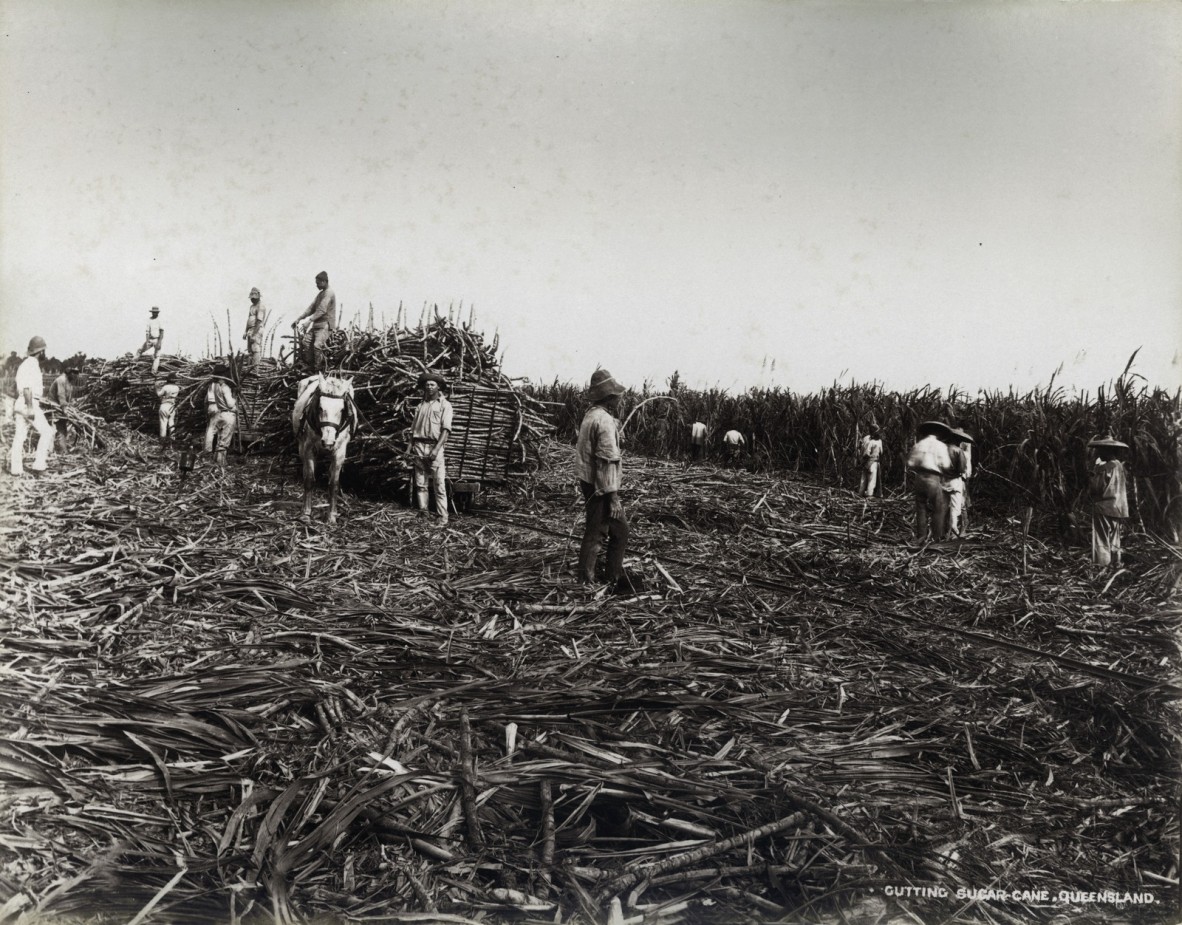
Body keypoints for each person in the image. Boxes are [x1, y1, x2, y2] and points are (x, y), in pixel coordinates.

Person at [574, 368, 630, 590]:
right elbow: (606, 461)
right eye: (616, 396)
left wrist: (615, 431)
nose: (619, 399)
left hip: (590, 482)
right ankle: (586, 581)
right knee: (597, 532)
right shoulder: (604, 421)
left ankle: (611, 575)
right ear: (609, 398)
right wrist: (613, 497)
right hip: (601, 486)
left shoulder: (592, 415)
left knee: (618, 530)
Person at [408, 372, 453, 525]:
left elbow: (446, 430)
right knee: (421, 483)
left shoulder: (445, 405)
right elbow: (413, 431)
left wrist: (436, 450)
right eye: (427, 384)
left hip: (435, 447)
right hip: (419, 446)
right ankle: (424, 512)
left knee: (439, 484)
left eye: (432, 384)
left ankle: (442, 516)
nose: (429, 386)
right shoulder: (421, 406)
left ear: (438, 387)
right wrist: (409, 449)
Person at [10, 336, 51, 477]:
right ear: (41, 351)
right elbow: (27, 388)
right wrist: (31, 407)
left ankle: (16, 469)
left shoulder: (24, 364)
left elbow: (20, 388)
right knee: (47, 432)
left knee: (19, 436)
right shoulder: (32, 364)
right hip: (28, 403)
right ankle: (39, 467)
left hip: (20, 403)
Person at [907, 421, 954, 542]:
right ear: (938, 433)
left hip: (919, 478)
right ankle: (936, 538)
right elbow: (946, 464)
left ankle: (921, 536)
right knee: (938, 507)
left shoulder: (919, 445)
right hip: (933, 478)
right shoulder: (940, 446)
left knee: (921, 507)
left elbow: (910, 463)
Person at [1088, 435, 1129, 569]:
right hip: (1118, 507)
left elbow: (1095, 488)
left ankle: (1101, 567)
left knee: (1101, 538)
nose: (1099, 453)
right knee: (1114, 538)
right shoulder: (1119, 466)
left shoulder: (1104, 467)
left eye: (1101, 450)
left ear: (1106, 450)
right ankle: (1116, 564)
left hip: (1103, 506)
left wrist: (1094, 471)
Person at [291, 271, 337, 370]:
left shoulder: (329, 293)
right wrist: (299, 318)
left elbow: (322, 310)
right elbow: (311, 308)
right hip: (317, 325)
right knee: (306, 342)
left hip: (326, 324)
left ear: (324, 281)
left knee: (317, 345)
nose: (316, 285)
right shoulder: (320, 294)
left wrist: (309, 321)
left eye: (318, 283)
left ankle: (318, 369)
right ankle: (310, 365)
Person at [942, 427, 974, 536]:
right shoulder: (958, 450)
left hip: (942, 481)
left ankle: (944, 532)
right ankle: (955, 531)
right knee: (957, 508)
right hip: (955, 482)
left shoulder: (942, 448)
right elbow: (962, 469)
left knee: (944, 506)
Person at [204, 366, 237, 467]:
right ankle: (221, 462)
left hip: (220, 413)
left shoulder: (214, 386)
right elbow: (230, 404)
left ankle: (214, 458)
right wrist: (235, 397)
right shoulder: (225, 387)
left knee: (217, 435)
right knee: (225, 438)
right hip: (228, 414)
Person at [47, 368, 79, 453]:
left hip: (60, 408)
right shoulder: (61, 380)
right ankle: (55, 450)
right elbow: (61, 395)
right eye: (74, 373)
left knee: (63, 429)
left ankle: (62, 449)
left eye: (77, 373)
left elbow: (68, 397)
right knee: (58, 428)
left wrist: (71, 405)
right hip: (54, 407)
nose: (76, 375)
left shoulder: (69, 382)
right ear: (69, 373)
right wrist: (65, 409)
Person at [243, 287, 269, 369]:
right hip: (251, 329)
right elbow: (249, 319)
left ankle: (255, 369)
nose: (252, 299)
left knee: (255, 348)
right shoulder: (252, 307)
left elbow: (259, 321)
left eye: (254, 298)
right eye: (251, 298)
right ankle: (250, 368)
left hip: (257, 329)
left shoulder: (260, 306)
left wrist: (254, 334)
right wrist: (245, 331)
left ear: (258, 297)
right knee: (250, 349)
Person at [156, 372, 180, 448]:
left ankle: (163, 441)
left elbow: (159, 394)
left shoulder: (165, 387)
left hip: (164, 406)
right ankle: (172, 441)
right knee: (171, 423)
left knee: (163, 423)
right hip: (172, 406)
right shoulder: (177, 388)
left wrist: (156, 387)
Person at [859, 425, 884, 497]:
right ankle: (869, 495)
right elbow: (881, 453)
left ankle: (860, 494)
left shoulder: (866, 438)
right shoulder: (878, 441)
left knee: (863, 480)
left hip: (865, 462)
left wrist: (862, 462)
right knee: (871, 480)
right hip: (873, 462)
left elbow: (863, 451)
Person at [138, 307, 164, 374]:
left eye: (156, 312)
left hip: (157, 339)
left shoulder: (160, 320)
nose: (155, 313)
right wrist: (147, 341)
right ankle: (133, 363)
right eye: (153, 312)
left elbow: (161, 332)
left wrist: (159, 342)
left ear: (158, 313)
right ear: (152, 312)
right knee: (140, 350)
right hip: (150, 339)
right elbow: (147, 331)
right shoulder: (149, 320)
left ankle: (154, 371)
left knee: (157, 356)